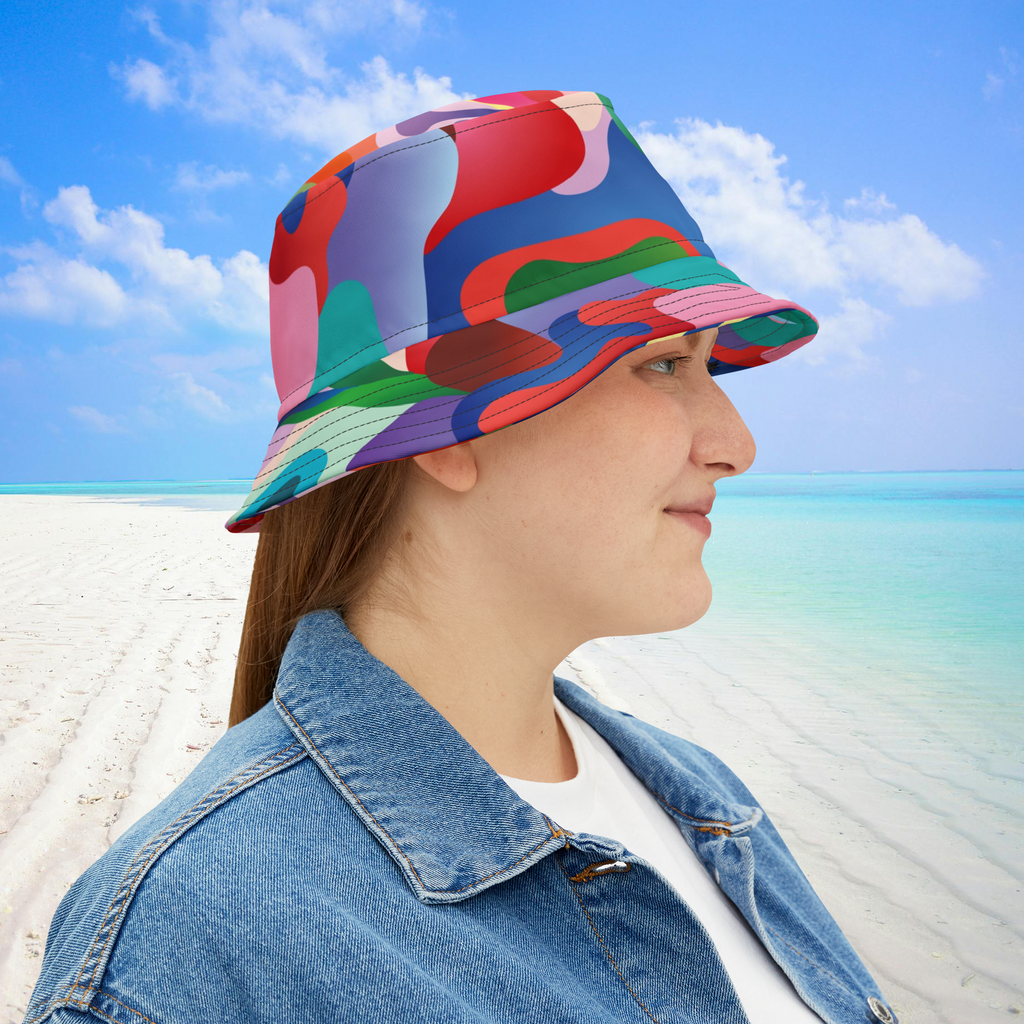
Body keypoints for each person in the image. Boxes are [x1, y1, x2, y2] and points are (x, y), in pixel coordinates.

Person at [24, 89, 900, 1024]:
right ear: (444, 425)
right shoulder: (186, 947)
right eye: (663, 363)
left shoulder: (703, 797)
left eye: (707, 365)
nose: (736, 443)